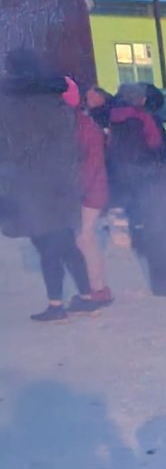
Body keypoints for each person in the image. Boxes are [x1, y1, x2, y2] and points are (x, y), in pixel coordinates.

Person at [0, 49, 100, 321]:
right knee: (64, 240)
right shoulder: (58, 102)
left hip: (34, 186)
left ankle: (56, 305)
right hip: (63, 183)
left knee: (47, 244)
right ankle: (87, 295)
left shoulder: (12, 106)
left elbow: (11, 149)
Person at [63, 78, 113, 307]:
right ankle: (96, 287)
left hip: (91, 191)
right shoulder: (83, 125)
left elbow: (91, 164)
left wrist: (77, 189)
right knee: (86, 239)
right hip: (91, 189)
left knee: (85, 238)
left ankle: (97, 288)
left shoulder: (85, 127)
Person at [107, 81, 165, 249]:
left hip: (120, 166)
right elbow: (154, 142)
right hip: (142, 165)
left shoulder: (114, 116)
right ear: (139, 99)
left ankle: (129, 230)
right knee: (144, 201)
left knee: (127, 200)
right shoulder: (143, 117)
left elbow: (110, 142)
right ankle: (143, 234)